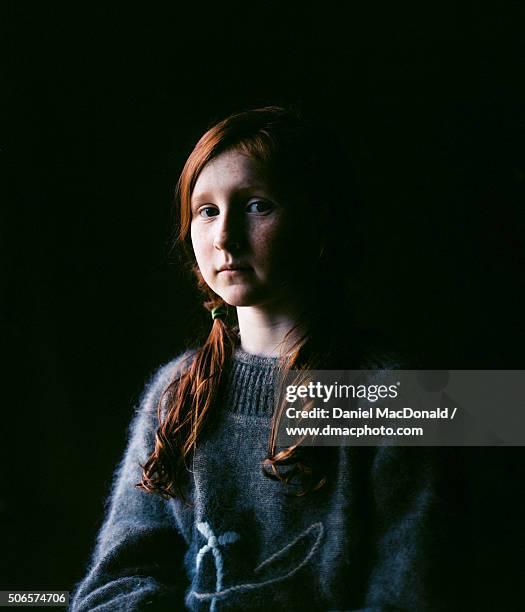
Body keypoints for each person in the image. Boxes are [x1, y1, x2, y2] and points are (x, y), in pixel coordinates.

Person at [70, 107, 474, 611]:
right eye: (207, 211)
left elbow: (410, 593)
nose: (224, 237)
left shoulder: (398, 394)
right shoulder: (176, 393)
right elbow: (116, 584)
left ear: (319, 222)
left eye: (258, 205)